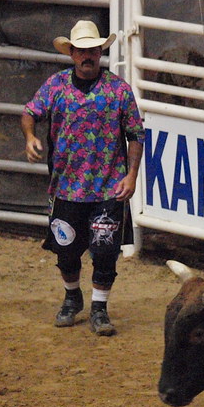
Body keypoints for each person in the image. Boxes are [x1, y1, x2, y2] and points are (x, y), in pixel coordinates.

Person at [21, 20, 144, 337]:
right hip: (66, 187)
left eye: (92, 50)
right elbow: (30, 112)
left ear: (99, 52)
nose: (87, 55)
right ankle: (73, 297)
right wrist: (30, 136)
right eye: (82, 50)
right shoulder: (56, 86)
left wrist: (131, 176)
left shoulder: (118, 91)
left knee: (104, 251)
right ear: (72, 53)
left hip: (108, 187)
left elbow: (135, 135)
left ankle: (100, 308)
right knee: (66, 251)